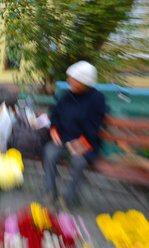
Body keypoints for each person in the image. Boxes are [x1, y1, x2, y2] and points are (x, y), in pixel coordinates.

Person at [43, 61, 106, 210]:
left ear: (84, 81)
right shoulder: (66, 96)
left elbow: (95, 124)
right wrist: (53, 129)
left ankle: (67, 198)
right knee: (49, 152)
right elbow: (55, 114)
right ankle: (50, 191)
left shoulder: (97, 99)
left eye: (72, 79)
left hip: (85, 141)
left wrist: (83, 142)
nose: (68, 81)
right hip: (63, 138)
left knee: (78, 162)